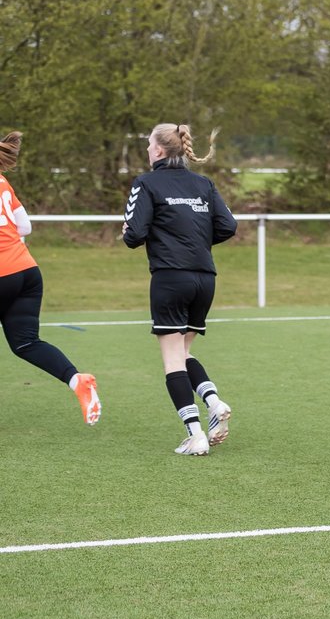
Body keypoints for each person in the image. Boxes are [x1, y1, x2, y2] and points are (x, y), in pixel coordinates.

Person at [122, 123, 236, 456]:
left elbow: (134, 233)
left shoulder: (146, 182)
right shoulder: (203, 183)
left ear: (158, 150)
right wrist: (195, 242)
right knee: (184, 354)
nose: (146, 150)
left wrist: (130, 232)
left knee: (173, 360)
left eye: (148, 145)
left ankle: (195, 434)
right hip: (205, 279)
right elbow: (228, 225)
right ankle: (214, 402)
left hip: (171, 278)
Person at [0, 131, 102, 426]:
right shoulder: (4, 182)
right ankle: (77, 381)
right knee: (26, 343)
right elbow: (25, 226)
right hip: (27, 272)